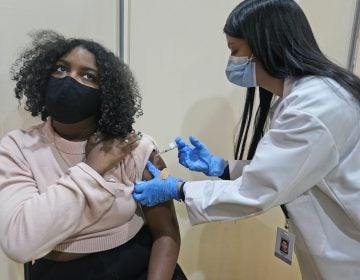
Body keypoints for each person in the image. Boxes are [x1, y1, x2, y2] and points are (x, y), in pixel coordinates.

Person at [132, 0, 360, 279]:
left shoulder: (314, 107)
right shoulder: (307, 98)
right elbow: (288, 169)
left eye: (234, 51)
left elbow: (257, 191)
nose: (232, 62)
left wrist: (177, 189)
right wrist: (222, 167)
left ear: (264, 46)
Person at [0, 30, 187, 280]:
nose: (69, 79)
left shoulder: (135, 147)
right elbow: (19, 243)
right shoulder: (18, 148)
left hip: (139, 267)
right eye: (60, 69)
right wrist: (91, 169)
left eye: (88, 76)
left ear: (106, 94)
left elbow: (166, 233)